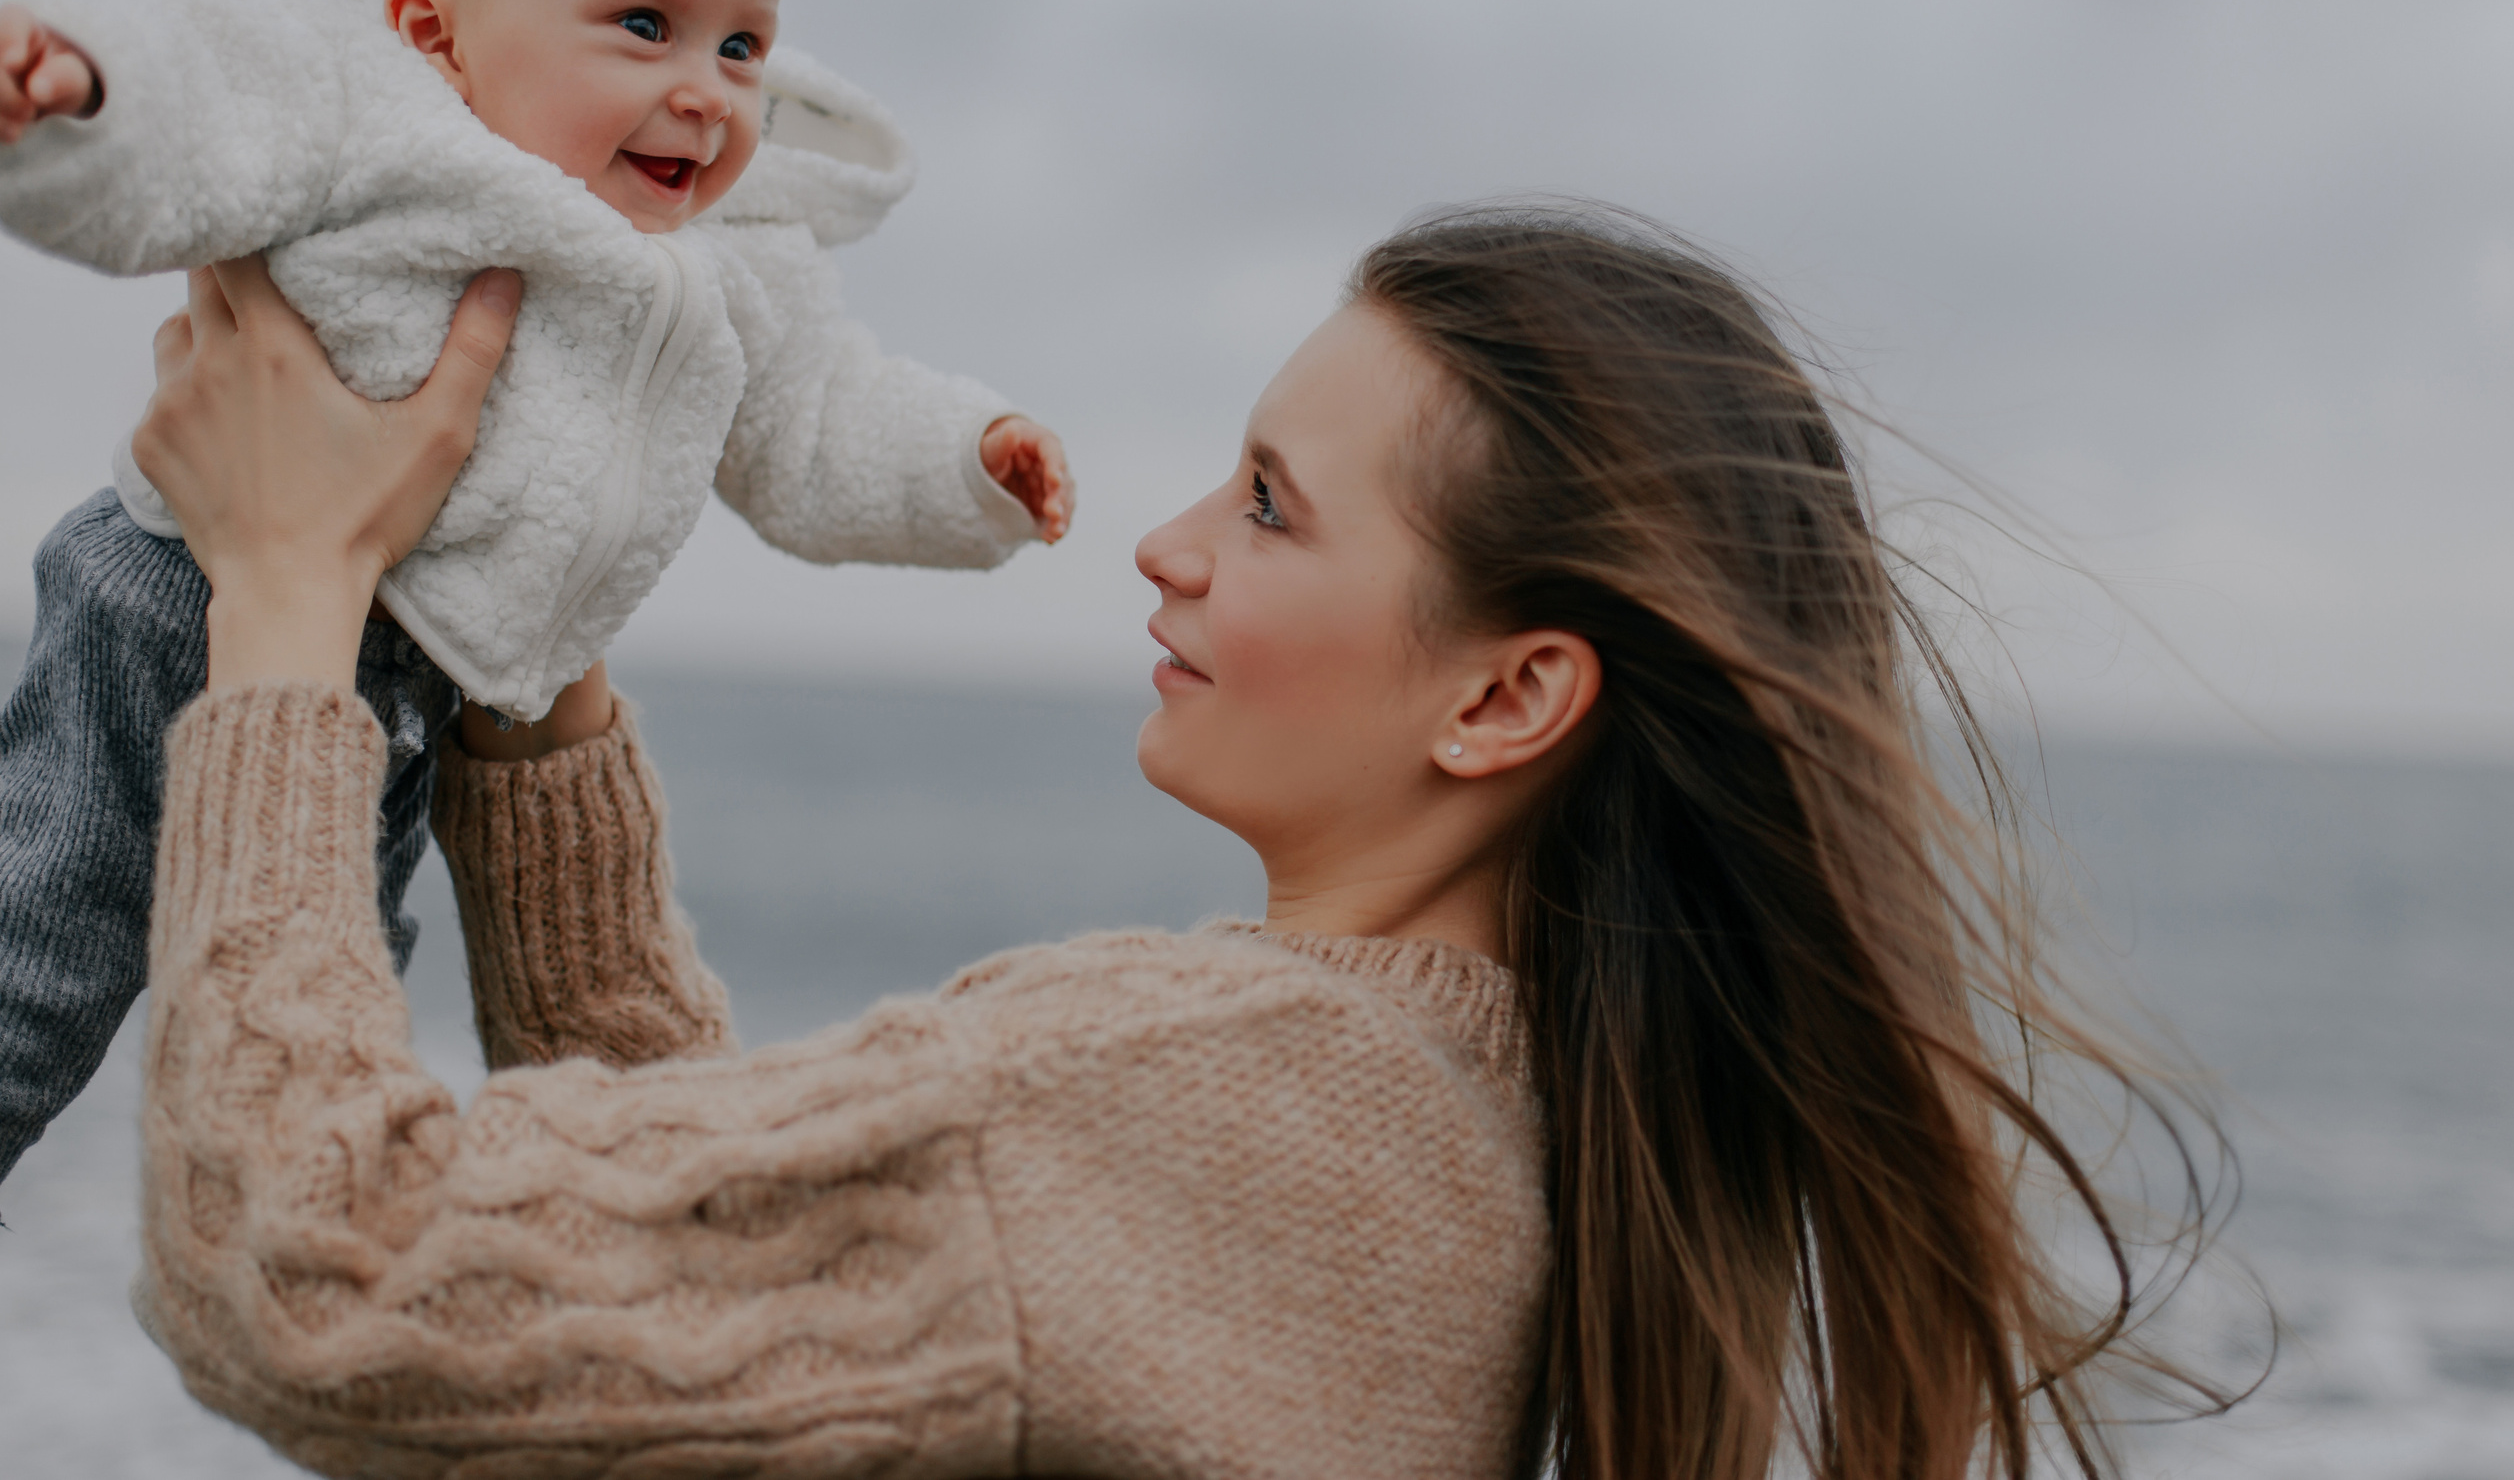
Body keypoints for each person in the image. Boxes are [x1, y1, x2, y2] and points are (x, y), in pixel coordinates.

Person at [126, 206, 2206, 1479]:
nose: (1167, 543)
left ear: (1504, 698)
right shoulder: (1441, 1132)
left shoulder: (1213, 1092)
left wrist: (287, 604)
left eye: (1271, 504)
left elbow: (318, 1265)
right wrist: (540, 679)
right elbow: (738, 1275)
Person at [0, 0, 1075, 1184]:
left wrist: (968, 460)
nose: (706, 89)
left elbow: (814, 424)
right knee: (36, 965)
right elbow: (210, 98)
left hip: (410, 685)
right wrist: (77, 95)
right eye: (645, 25)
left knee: (326, 1014)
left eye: (744, 43)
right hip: (179, 601)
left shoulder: (731, 259)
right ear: (433, 34)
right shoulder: (366, 110)